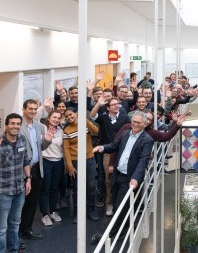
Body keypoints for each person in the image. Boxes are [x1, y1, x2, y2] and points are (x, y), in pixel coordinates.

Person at [91, 112, 154, 245]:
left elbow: (143, 161)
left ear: (144, 124)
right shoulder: (125, 134)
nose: (135, 125)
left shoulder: (147, 140)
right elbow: (114, 146)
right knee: (116, 205)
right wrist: (102, 147)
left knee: (120, 207)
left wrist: (136, 178)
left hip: (129, 179)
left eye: (138, 123)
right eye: (134, 122)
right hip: (117, 175)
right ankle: (122, 229)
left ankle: (110, 236)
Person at [0, 113, 31, 253]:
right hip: (2, 193)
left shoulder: (22, 139)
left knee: (15, 224)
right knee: (1, 228)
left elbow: (26, 161)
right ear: (7, 125)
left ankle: (13, 250)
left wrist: (28, 179)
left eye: (18, 124)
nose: (15, 126)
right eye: (12, 123)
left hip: (19, 190)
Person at [90, 96, 131, 216]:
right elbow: (92, 116)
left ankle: (121, 204)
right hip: (108, 153)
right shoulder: (103, 118)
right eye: (113, 104)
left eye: (118, 103)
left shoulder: (124, 117)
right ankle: (109, 204)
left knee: (123, 178)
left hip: (122, 152)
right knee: (109, 179)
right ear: (108, 108)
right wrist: (98, 104)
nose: (117, 105)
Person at [19, 99, 50, 241]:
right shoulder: (17, 126)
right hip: (21, 170)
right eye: (30, 108)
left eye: (35, 109)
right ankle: (16, 233)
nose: (32, 111)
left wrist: (47, 141)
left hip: (37, 168)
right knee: (19, 203)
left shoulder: (39, 126)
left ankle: (27, 230)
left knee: (32, 203)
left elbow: (40, 148)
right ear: (24, 109)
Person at [63, 107, 100, 222]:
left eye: (70, 114)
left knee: (91, 186)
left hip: (89, 159)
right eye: (67, 116)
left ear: (76, 113)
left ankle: (90, 210)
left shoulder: (85, 123)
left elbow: (95, 131)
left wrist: (85, 121)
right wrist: (69, 165)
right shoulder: (67, 130)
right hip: (75, 162)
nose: (69, 117)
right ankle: (77, 213)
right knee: (77, 188)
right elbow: (66, 149)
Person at [38, 110, 64, 226]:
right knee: (45, 189)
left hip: (58, 162)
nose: (56, 120)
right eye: (54, 117)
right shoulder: (42, 128)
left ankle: (53, 211)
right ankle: (45, 214)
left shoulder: (61, 131)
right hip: (46, 161)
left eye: (58, 118)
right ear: (49, 118)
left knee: (55, 188)